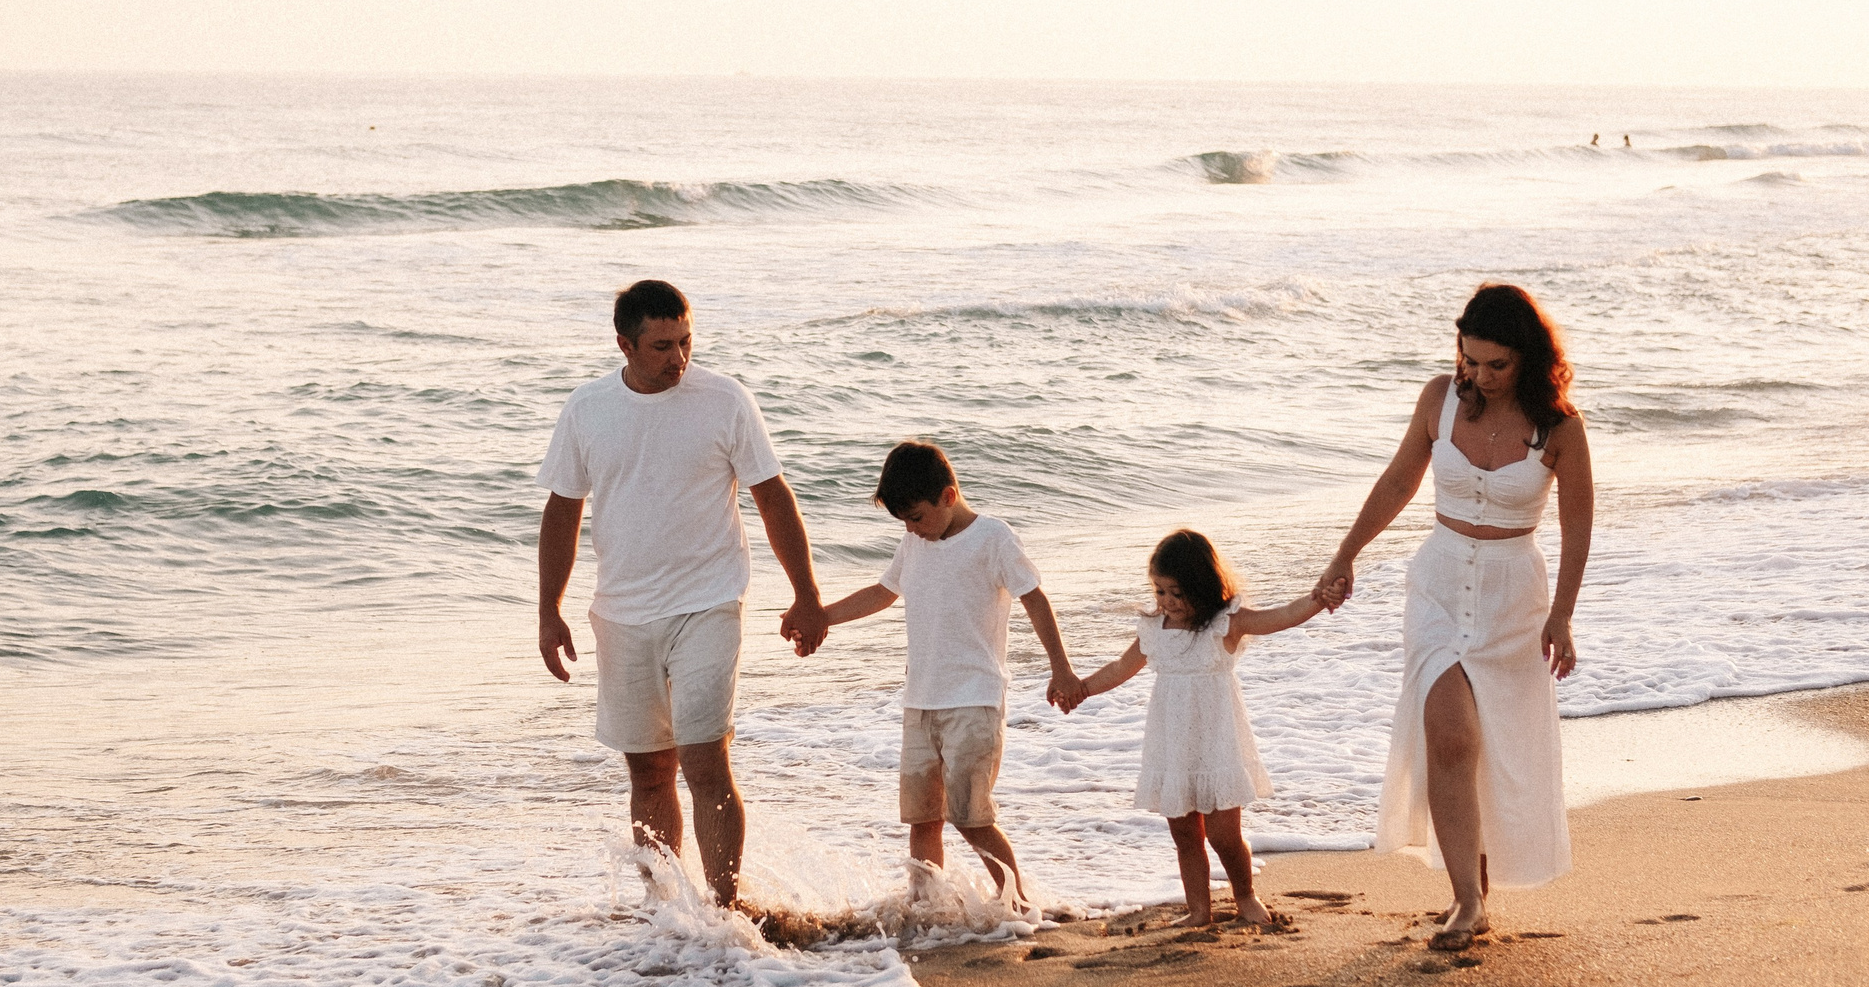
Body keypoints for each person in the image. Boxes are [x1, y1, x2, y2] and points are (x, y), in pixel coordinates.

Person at [1313, 283, 1594, 950]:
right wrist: (1345, 555)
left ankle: (1483, 879)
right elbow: (1397, 481)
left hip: (1512, 598)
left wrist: (1564, 614)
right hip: (1438, 585)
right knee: (1449, 734)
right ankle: (1467, 899)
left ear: (1527, 357)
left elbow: (1578, 521)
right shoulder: (1440, 398)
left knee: (1493, 746)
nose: (1480, 375)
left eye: (1496, 364)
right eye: (1471, 360)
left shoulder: (1559, 427)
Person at [536, 280, 830, 906]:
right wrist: (548, 610)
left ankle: (725, 911)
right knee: (648, 769)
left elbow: (773, 497)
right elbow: (562, 511)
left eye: (687, 341)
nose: (680, 358)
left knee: (704, 760)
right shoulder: (587, 408)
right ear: (625, 344)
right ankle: (666, 910)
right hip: (622, 610)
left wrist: (806, 592)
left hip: (710, 599)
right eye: (663, 345)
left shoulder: (725, 401)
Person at [819, 440, 1077, 905]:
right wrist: (822, 617)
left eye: (916, 517)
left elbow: (1035, 599)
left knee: (970, 816)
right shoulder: (915, 541)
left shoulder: (993, 537)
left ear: (948, 496)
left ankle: (1017, 905)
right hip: (920, 701)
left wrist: (1060, 668)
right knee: (922, 818)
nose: (912, 530)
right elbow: (882, 592)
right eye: (903, 522)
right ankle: (927, 909)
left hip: (974, 700)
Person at [1052, 530, 1326, 927]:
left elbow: (1281, 617)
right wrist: (1079, 690)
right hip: (1172, 743)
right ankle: (1199, 909)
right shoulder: (1154, 629)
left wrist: (1319, 598)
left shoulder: (1224, 624)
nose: (1166, 602)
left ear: (1203, 586)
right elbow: (1119, 669)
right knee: (1184, 832)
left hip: (1217, 741)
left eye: (1175, 593)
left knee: (1223, 834)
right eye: (1159, 591)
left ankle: (1246, 897)